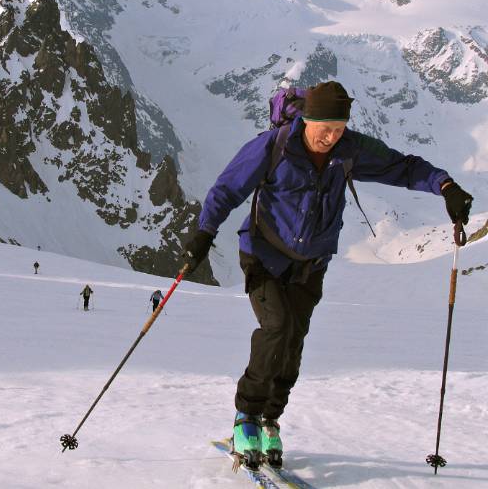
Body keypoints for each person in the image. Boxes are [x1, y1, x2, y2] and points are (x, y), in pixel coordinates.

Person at [181, 81, 473, 470]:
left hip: (312, 263)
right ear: (306, 119)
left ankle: (271, 418)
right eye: (325, 128)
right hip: (263, 256)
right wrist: (204, 232)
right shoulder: (274, 146)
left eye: (339, 128)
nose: (331, 136)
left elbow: (403, 167)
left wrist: (446, 186)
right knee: (277, 329)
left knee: (294, 343)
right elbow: (226, 189)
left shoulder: (349, 150)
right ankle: (245, 417)